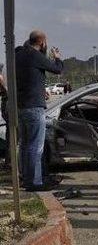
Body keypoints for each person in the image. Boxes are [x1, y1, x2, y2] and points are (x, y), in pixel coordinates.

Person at [15, 30, 63, 191]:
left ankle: (26, 179)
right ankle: (35, 182)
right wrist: (57, 57)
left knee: (25, 145)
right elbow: (57, 69)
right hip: (34, 107)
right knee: (36, 146)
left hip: (20, 106)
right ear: (42, 43)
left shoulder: (19, 56)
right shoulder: (35, 56)